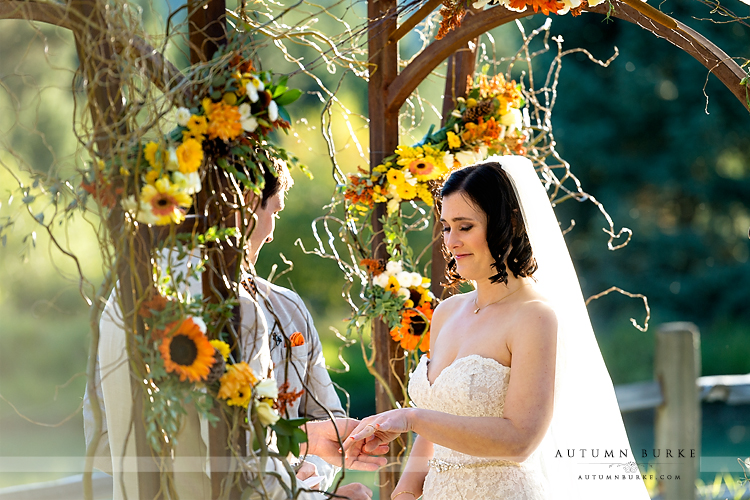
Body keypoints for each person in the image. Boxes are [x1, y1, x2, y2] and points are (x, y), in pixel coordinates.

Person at [344, 157, 651, 500]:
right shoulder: (446, 311)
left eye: (465, 226)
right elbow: (435, 428)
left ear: (507, 223)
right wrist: (403, 494)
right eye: (446, 227)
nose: (451, 241)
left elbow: (520, 440)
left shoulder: (534, 317)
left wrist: (412, 418)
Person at [83, 161, 380, 500]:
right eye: (276, 212)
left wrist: (305, 468)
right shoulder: (232, 309)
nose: (271, 233)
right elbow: (105, 441)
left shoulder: (290, 309)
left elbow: (330, 424)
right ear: (247, 200)